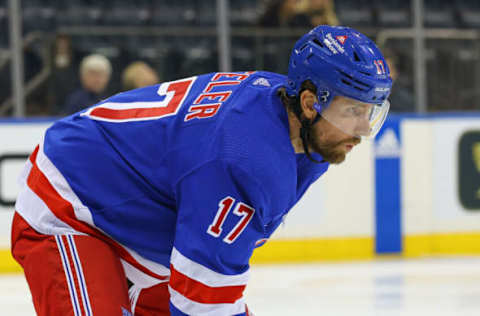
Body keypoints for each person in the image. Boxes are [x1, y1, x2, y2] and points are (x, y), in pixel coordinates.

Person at [11, 25, 392, 316]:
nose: (363, 129)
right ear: (310, 102)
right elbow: (200, 302)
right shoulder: (246, 161)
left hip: (139, 226)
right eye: (353, 111)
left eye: (370, 112)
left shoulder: (299, 127)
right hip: (70, 204)